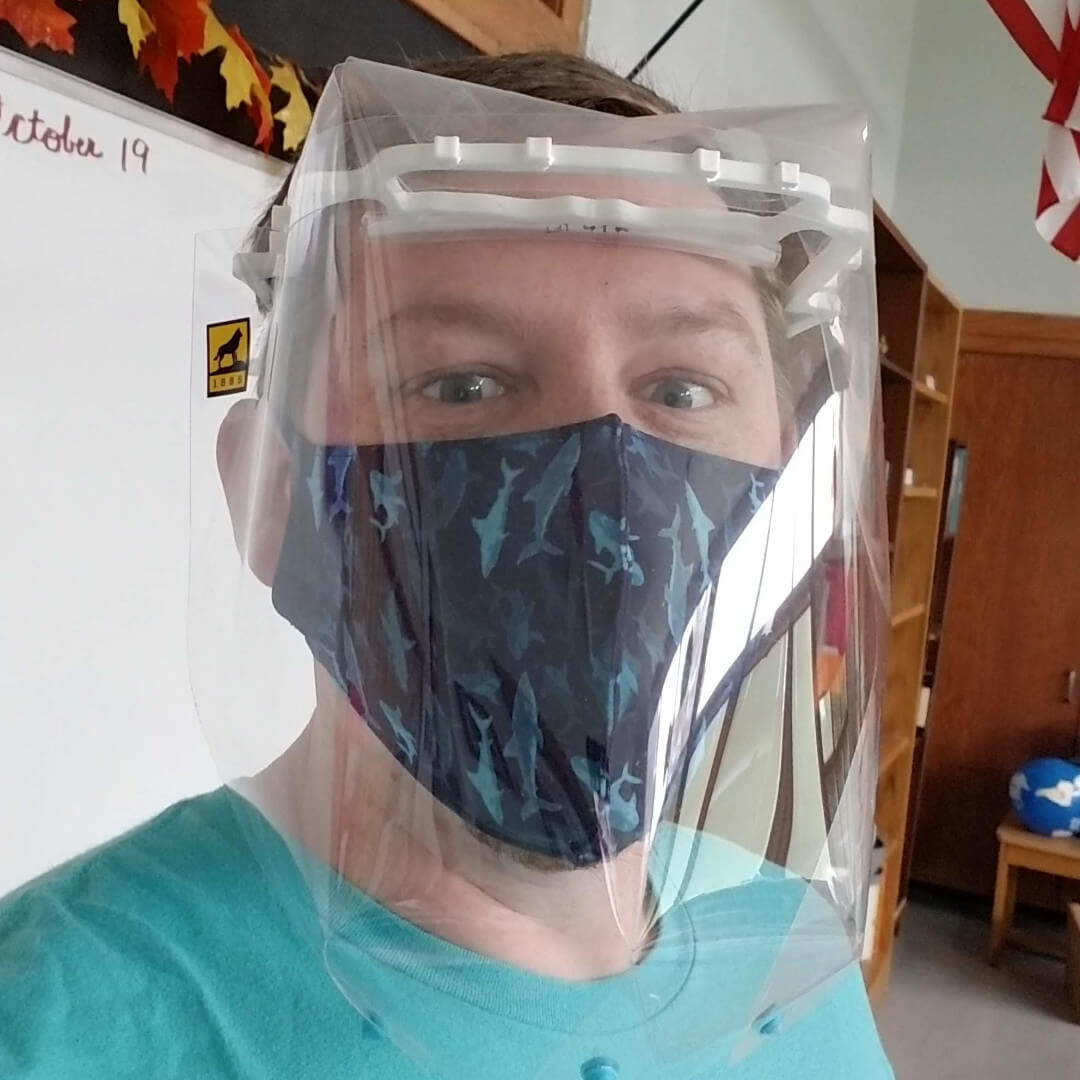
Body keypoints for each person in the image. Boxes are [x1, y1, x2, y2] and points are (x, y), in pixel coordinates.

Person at [0, 53, 893, 1078]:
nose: (600, 483)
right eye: (463, 384)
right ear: (272, 499)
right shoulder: (51, 1027)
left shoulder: (787, 965)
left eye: (683, 390)